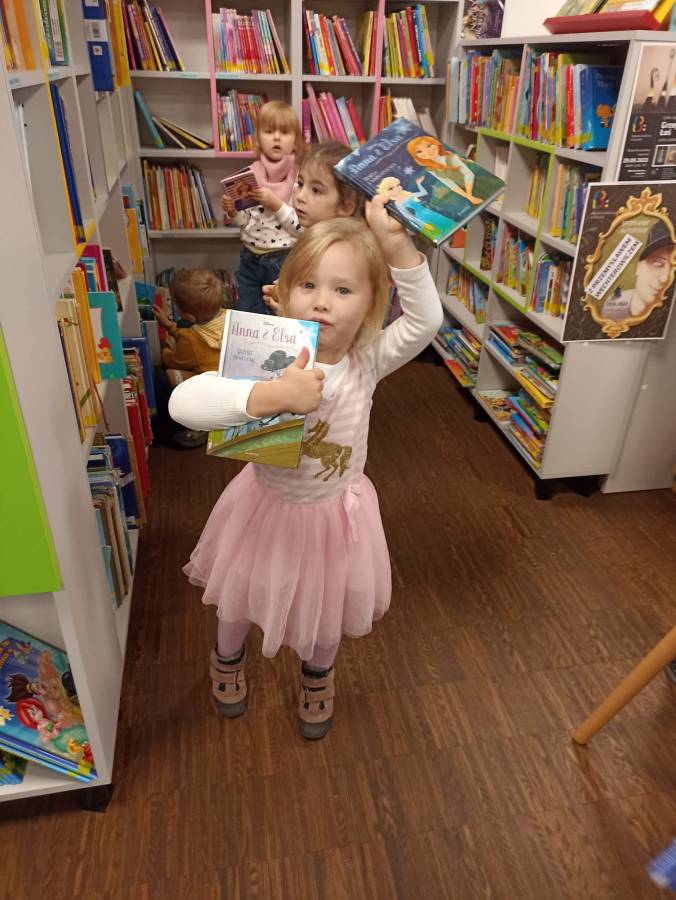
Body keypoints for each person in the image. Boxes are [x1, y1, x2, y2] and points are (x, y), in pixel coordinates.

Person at [168, 197, 443, 740]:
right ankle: (227, 657)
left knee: (328, 605)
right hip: (265, 508)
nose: (322, 302)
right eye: (309, 285)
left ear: (371, 305)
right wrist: (269, 396)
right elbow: (183, 405)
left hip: (334, 517)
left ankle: (318, 674)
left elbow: (427, 319)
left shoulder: (369, 357)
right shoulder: (264, 355)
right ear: (286, 292)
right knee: (240, 593)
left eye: (343, 290)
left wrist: (395, 243)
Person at [222, 101, 303, 315]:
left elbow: (302, 229)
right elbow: (246, 223)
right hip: (249, 258)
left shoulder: (300, 178)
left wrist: (276, 205)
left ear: (296, 142)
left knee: (281, 316)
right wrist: (233, 211)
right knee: (248, 313)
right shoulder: (250, 174)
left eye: (284, 132)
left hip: (283, 258)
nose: (276, 137)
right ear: (258, 139)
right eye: (269, 131)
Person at [153, 268, 226, 449]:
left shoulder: (191, 339)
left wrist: (167, 346)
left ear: (189, 316)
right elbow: (187, 332)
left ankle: (186, 429)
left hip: (211, 391)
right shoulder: (227, 315)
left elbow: (173, 362)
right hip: (230, 383)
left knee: (164, 379)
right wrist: (172, 327)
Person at [601, 220, 675, 322]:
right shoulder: (612, 306)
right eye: (657, 264)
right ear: (639, 267)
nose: (665, 278)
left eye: (674, 268)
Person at [407, 135, 483, 205]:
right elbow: (451, 185)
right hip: (468, 192)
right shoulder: (431, 169)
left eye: (429, 146)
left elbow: (469, 174)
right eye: (419, 151)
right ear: (416, 156)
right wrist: (469, 197)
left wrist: (469, 195)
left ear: (436, 144)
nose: (427, 151)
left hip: (479, 182)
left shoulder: (450, 157)